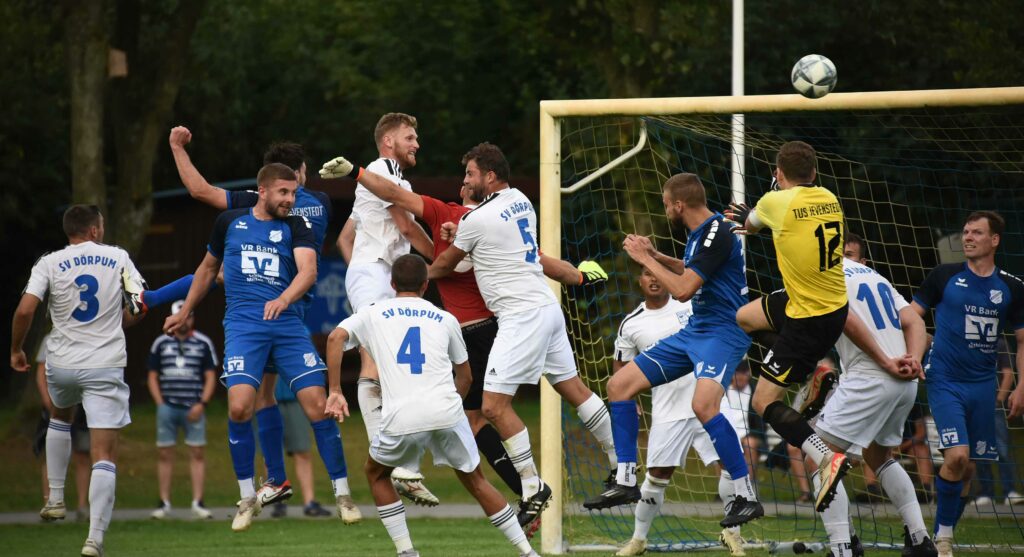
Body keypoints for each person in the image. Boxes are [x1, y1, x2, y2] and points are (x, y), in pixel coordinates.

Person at [320, 151, 608, 505]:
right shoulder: (512, 212)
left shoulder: (453, 216)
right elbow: (543, 261)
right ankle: (589, 474)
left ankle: (516, 485)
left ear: (481, 182)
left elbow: (406, 218)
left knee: (477, 413)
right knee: (477, 417)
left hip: (481, 331)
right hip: (513, 321)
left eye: (468, 176)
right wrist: (580, 276)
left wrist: (359, 176)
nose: (464, 182)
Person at [156, 130, 359, 521]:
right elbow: (206, 269)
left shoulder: (299, 221)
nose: (291, 197)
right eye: (284, 192)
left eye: (293, 191)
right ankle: (249, 495)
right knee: (239, 407)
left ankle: (343, 494)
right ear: (261, 191)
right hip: (245, 326)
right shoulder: (231, 220)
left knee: (317, 407)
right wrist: (184, 312)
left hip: (287, 323)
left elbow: (309, 269)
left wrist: (284, 298)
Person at [425, 143, 617, 532]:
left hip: (520, 316)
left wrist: (417, 278)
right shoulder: (519, 201)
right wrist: (458, 229)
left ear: (490, 176)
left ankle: (532, 486)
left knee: (493, 407)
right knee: (575, 389)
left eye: (470, 175)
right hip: (546, 308)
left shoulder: (478, 219)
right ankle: (622, 465)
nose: (465, 182)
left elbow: (448, 263)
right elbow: (488, 247)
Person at [325, 254, 539, 557]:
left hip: (402, 416)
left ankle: (407, 551)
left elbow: (335, 338)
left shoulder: (374, 312)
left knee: (376, 474)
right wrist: (450, 404)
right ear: (426, 284)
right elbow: (465, 375)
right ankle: (527, 552)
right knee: (477, 482)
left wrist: (335, 391)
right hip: (447, 410)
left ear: (391, 283)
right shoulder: (445, 318)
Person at [583, 172, 761, 530]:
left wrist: (644, 260)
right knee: (619, 386)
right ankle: (626, 480)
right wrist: (654, 254)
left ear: (679, 204)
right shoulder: (702, 234)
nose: (666, 210)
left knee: (703, 406)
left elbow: (682, 290)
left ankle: (746, 496)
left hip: (722, 332)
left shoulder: (717, 231)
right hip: (697, 330)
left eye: (666, 204)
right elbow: (690, 270)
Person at [10, 204, 146, 556]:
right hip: (105, 363)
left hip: (62, 362)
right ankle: (94, 538)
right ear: (95, 230)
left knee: (60, 417)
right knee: (104, 453)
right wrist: (118, 322)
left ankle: (54, 498)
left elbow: (25, 309)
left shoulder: (49, 262)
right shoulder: (118, 257)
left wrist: (16, 350)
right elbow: (138, 305)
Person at [794, 233, 938, 557]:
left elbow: (843, 320)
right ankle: (919, 540)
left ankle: (844, 548)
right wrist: (913, 359)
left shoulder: (825, 274)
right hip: (905, 381)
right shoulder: (876, 277)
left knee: (817, 457)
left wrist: (885, 362)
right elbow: (915, 320)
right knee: (879, 457)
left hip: (872, 376)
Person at [726, 140, 851, 514]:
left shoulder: (774, 201)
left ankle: (827, 459)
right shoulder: (829, 196)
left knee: (765, 401)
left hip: (808, 318)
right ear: (814, 173)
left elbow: (748, 225)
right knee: (745, 317)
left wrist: (756, 207)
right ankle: (817, 369)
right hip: (830, 305)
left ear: (778, 174)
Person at [910, 211, 1024, 557]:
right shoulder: (944, 276)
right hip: (944, 380)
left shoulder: (1012, 287)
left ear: (995, 240)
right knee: (957, 457)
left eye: (977, 232)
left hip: (983, 386)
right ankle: (942, 542)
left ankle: (937, 537)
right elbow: (911, 314)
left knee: (969, 467)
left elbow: (1022, 340)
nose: (968, 237)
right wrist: (915, 351)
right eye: (965, 231)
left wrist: (1020, 386)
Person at [609, 267, 745, 557]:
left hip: (708, 403)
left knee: (730, 465)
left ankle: (733, 536)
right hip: (668, 410)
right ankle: (638, 540)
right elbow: (621, 368)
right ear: (640, 280)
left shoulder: (690, 305)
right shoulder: (631, 324)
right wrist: (629, 398)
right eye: (646, 274)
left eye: (657, 273)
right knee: (657, 475)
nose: (654, 279)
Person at [341, 113, 439, 506]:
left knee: (396, 368)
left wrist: (360, 265)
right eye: (410, 137)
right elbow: (408, 228)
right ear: (388, 142)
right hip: (375, 276)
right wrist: (448, 260)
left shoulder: (385, 177)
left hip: (378, 275)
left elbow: (347, 235)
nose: (417, 143)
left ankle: (401, 465)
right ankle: (393, 459)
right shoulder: (385, 171)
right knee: (377, 361)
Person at [147, 300, 217, 520]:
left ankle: (198, 501)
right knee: (165, 453)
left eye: (188, 316)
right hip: (167, 406)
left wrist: (202, 403)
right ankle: (163, 502)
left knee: (197, 452)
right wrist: (160, 403)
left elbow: (210, 376)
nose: (184, 321)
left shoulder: (203, 343)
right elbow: (152, 375)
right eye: (181, 316)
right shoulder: (160, 343)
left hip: (193, 407)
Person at [34, 332, 91, 522]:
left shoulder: (90, 334)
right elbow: (41, 373)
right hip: (58, 402)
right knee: (53, 455)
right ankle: (51, 502)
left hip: (83, 406)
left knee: (83, 454)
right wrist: (48, 403)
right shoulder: (50, 338)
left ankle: (83, 506)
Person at [269, 376, 332, 518]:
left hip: (296, 395)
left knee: (302, 450)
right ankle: (277, 500)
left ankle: (309, 502)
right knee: (271, 453)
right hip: (266, 398)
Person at [973, 337, 1024, 507]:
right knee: (980, 449)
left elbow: (1008, 374)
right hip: (975, 404)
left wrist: (998, 400)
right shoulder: (970, 343)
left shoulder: (1000, 344)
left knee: (1002, 449)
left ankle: (1009, 491)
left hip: (994, 407)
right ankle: (986, 493)